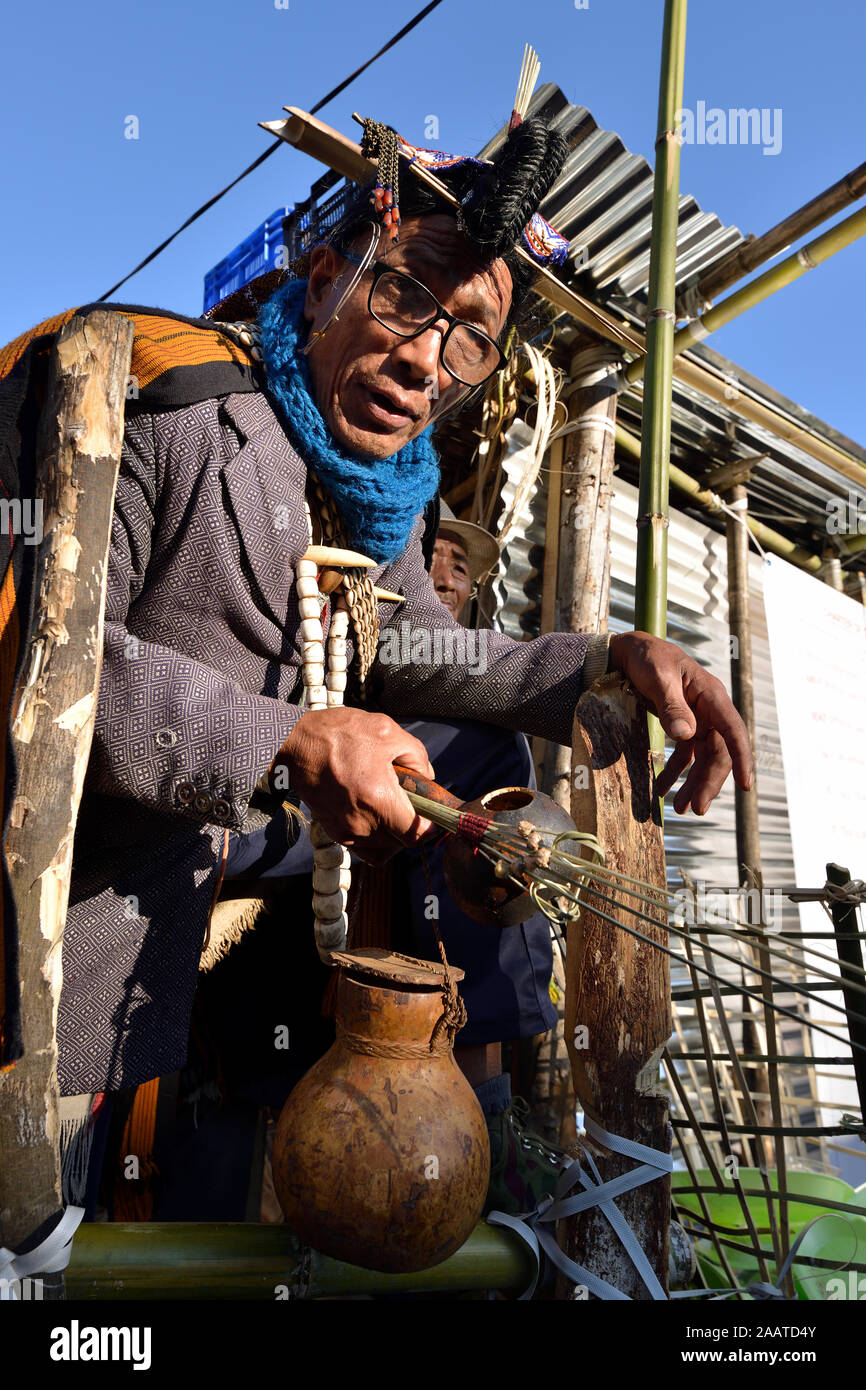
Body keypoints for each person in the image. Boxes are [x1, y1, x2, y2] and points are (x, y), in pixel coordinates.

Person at [3, 115, 752, 1204]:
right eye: (406, 292)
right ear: (321, 279)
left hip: (182, 938)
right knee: (34, 1235)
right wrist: (281, 737)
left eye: (469, 335)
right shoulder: (150, 398)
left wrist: (607, 658)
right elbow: (44, 659)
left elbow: (409, 644)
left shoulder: (379, 491)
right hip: (46, 938)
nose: (422, 358)